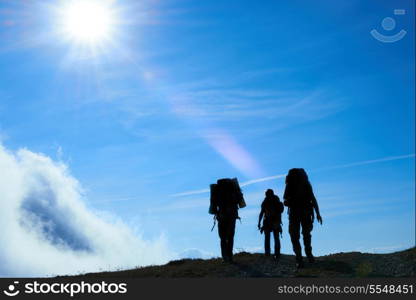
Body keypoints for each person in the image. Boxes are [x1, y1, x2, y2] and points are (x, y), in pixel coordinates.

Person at [283, 168, 322, 268]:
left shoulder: (291, 184)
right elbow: (313, 199)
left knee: (296, 236)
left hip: (297, 213)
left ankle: (301, 258)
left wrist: (317, 213)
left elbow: (285, 199)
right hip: (304, 213)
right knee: (305, 235)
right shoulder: (305, 183)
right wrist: (317, 213)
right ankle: (307, 256)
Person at [209, 178, 245, 263]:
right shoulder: (233, 190)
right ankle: (230, 257)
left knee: (222, 238)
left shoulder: (217, 191)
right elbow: (238, 201)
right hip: (232, 216)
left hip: (221, 216)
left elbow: (213, 203)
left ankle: (225, 257)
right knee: (231, 236)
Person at [257, 189, 284, 260]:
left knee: (267, 237)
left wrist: (259, 222)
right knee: (276, 237)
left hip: (267, 221)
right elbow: (280, 212)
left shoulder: (265, 201)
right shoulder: (277, 200)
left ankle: (267, 252)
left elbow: (261, 213)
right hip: (276, 221)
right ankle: (277, 253)